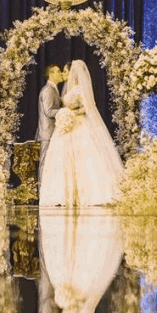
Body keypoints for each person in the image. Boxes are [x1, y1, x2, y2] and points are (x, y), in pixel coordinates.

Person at [38, 60, 124, 207]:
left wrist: (71, 112)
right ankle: (67, 194)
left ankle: (84, 194)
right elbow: (51, 110)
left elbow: (88, 107)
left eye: (65, 71)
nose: (63, 74)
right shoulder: (59, 89)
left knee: (84, 158)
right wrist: (66, 112)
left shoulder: (79, 89)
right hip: (67, 127)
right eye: (61, 71)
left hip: (78, 125)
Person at [36, 64, 66, 170]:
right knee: (45, 163)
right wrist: (65, 111)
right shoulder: (48, 90)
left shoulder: (53, 89)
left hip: (52, 133)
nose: (61, 73)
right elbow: (48, 112)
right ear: (51, 74)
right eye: (58, 71)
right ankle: (42, 182)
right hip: (47, 134)